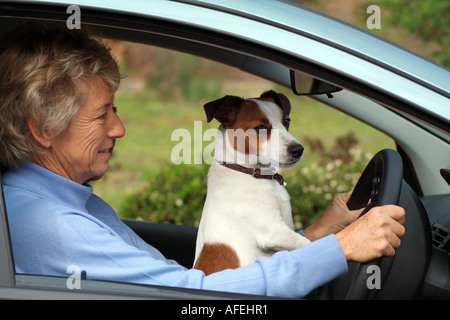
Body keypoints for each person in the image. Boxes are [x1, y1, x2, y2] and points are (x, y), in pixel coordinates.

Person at [0, 22, 405, 298]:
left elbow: (200, 275)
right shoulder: (51, 225)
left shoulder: (70, 202)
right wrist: (340, 248)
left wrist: (320, 234)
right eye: (102, 113)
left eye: (115, 108)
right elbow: (197, 297)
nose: (119, 128)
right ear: (44, 130)